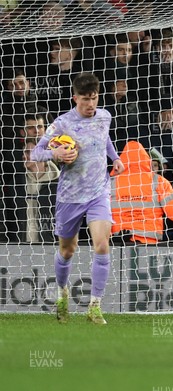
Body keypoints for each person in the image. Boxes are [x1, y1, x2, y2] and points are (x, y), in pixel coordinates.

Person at [31, 72, 125, 325]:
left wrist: (115, 158)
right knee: (67, 249)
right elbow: (35, 152)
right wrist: (57, 152)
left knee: (102, 245)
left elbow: (104, 140)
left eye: (93, 98)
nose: (90, 104)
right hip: (70, 196)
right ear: (75, 98)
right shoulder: (62, 123)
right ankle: (62, 295)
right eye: (85, 99)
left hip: (98, 192)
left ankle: (94, 307)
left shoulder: (105, 116)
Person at [110, 141, 173, 244]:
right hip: (148, 244)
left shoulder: (109, 183)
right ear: (146, 159)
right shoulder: (158, 181)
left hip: (115, 243)